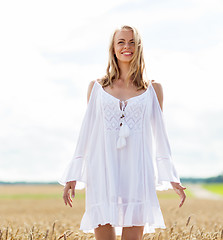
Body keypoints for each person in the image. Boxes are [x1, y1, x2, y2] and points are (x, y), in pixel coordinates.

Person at [58, 25, 186, 240]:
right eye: (121, 42)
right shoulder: (96, 88)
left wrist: (171, 176)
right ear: (113, 48)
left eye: (132, 42)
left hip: (138, 171)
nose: (127, 46)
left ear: (139, 47)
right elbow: (87, 131)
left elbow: (160, 135)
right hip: (102, 171)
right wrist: (74, 174)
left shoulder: (153, 90)